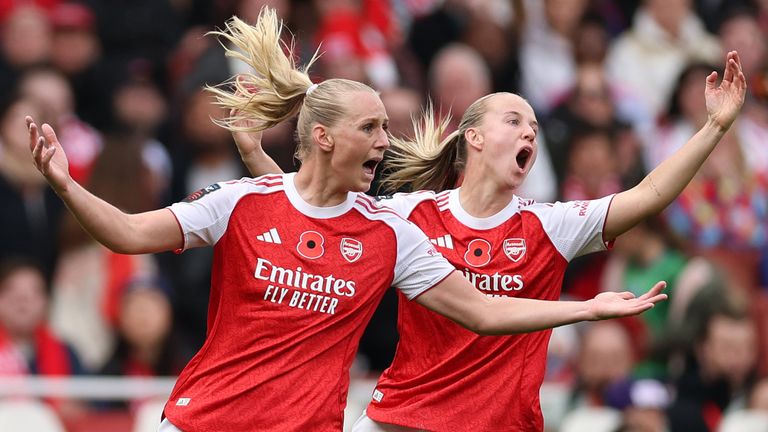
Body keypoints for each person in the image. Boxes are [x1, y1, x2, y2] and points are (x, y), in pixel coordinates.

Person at [27, 8, 666, 432]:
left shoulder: (390, 233)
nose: (389, 143)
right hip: (202, 420)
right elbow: (128, 233)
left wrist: (585, 309)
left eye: (388, 127)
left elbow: (486, 312)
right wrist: (62, 180)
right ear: (326, 138)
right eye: (373, 128)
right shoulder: (243, 202)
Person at [236, 46, 745, 430]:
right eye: (514, 120)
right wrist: (254, 154)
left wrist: (714, 127)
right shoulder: (409, 214)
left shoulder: (551, 225)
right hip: (401, 422)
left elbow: (650, 193)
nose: (530, 132)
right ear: (474, 137)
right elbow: (309, 212)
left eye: (535, 127)